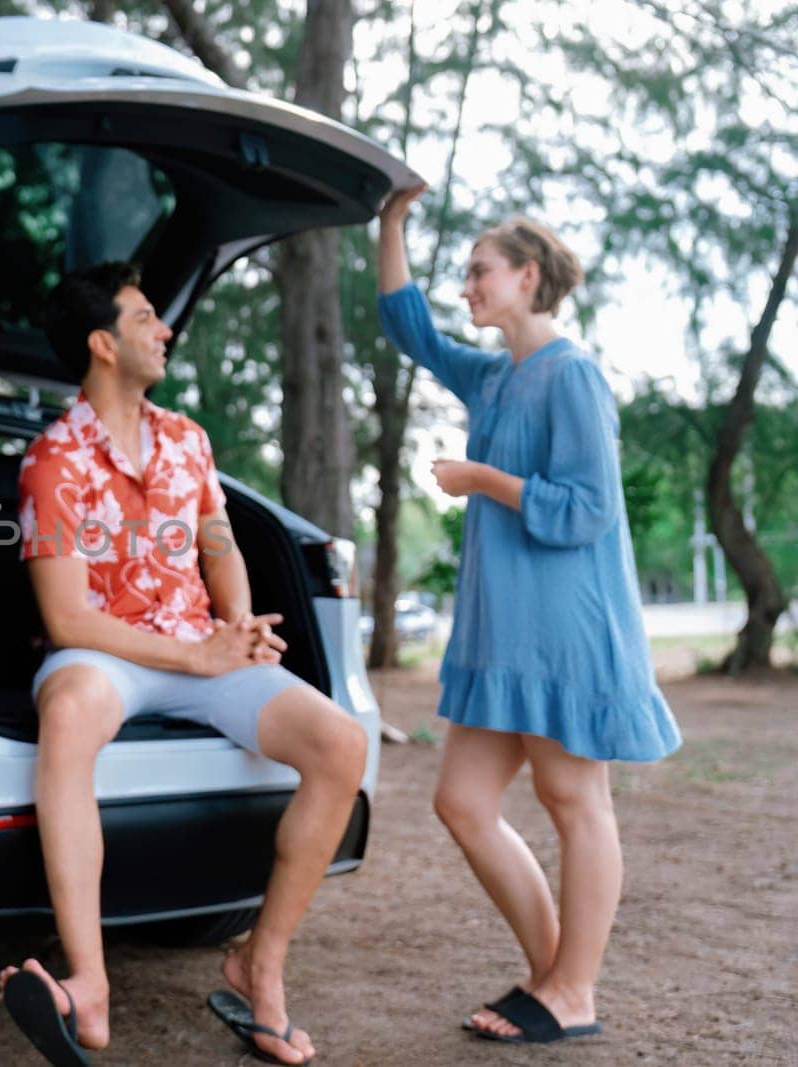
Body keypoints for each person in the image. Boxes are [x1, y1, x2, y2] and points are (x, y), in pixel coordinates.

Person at [0, 262, 369, 1066]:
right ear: (104, 343)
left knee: (342, 742)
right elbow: (68, 617)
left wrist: (238, 626)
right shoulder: (52, 460)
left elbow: (220, 548)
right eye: (146, 317)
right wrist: (198, 653)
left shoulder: (187, 440)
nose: (164, 330)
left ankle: (259, 963)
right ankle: (88, 985)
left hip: (202, 644)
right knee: (67, 714)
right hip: (107, 652)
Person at [376, 186, 681, 1044]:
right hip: (501, 636)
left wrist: (483, 482)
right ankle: (556, 970)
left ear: (528, 276)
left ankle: (572, 990)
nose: (467, 285)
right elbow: (412, 333)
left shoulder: (573, 375)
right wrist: (391, 220)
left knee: (575, 798)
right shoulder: (494, 374)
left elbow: (586, 509)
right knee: (463, 801)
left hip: (566, 630)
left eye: (479, 271)